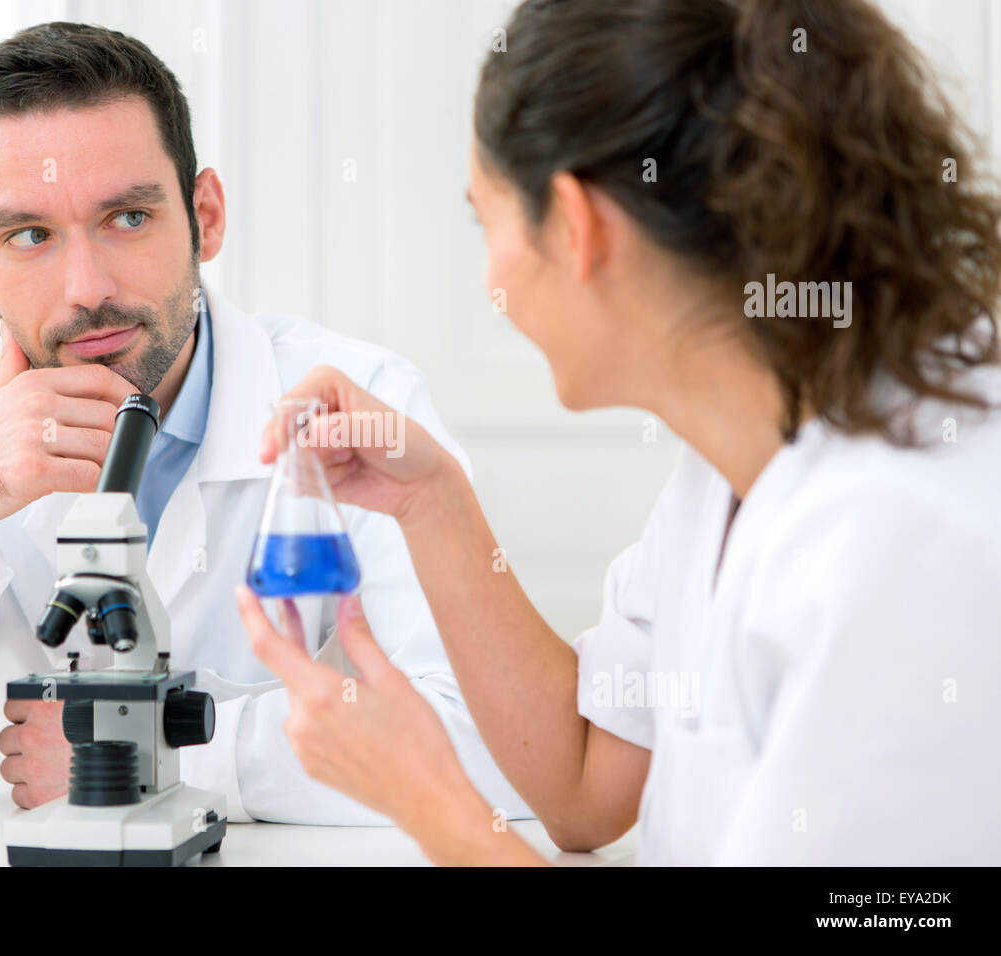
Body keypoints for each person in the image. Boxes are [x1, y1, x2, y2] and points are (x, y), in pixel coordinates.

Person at [235, 0, 1001, 864]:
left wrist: (429, 800)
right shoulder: (728, 466)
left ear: (576, 225)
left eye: (487, 224)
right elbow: (582, 789)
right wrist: (429, 498)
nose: (490, 274)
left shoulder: (909, 535)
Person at [0, 22, 531, 827]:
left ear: (204, 216)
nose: (87, 288)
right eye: (28, 236)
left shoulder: (361, 400)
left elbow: (507, 748)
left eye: (128, 218)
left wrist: (157, 749)